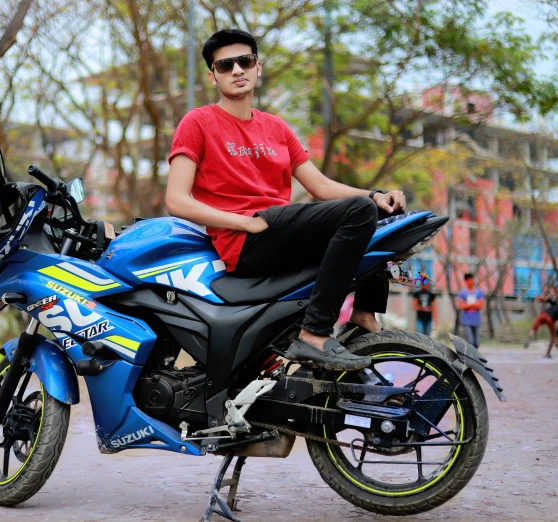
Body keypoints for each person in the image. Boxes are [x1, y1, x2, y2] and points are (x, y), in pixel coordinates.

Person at [165, 29, 406, 371]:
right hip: (247, 240)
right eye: (225, 65)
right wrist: (244, 222)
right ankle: (315, 334)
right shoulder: (199, 122)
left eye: (245, 61)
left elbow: (320, 186)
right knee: (359, 211)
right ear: (212, 75)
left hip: (282, 229)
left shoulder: (275, 127)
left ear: (258, 68)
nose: (237, 70)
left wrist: (377, 195)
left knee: (380, 215)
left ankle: (364, 317)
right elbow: (177, 200)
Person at [456, 273, 485, 348]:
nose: (471, 282)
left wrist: (468, 305)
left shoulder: (479, 292)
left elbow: (481, 305)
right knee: (470, 342)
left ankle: (475, 357)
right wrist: (474, 304)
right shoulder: (462, 293)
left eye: (472, 280)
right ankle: (470, 357)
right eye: (469, 280)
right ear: (466, 281)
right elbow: (461, 306)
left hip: (476, 321)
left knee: (476, 343)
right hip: (467, 321)